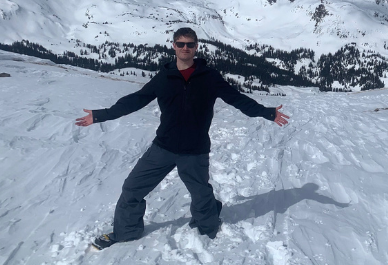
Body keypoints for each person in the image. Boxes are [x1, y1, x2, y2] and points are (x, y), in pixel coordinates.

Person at [75, 27, 289, 250]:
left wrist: (268, 112)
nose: (185, 48)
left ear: (196, 47)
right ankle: (126, 232)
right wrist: (101, 115)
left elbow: (238, 99)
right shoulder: (164, 77)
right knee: (132, 188)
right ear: (174, 46)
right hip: (163, 147)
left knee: (201, 194)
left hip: (195, 150)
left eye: (190, 44)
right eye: (181, 44)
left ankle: (209, 229)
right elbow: (136, 100)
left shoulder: (210, 77)